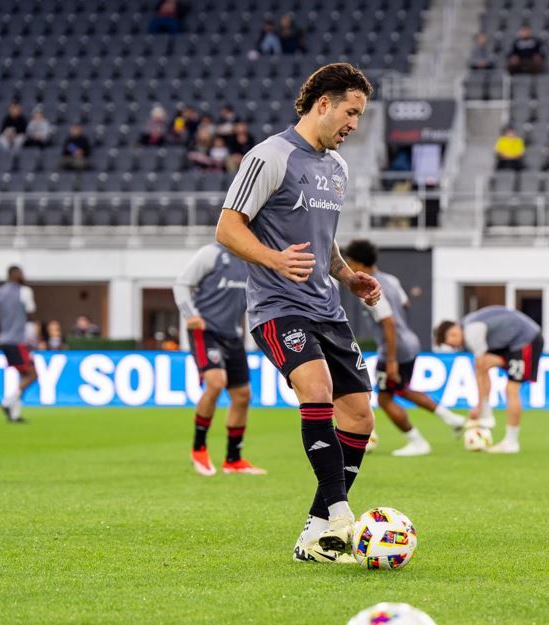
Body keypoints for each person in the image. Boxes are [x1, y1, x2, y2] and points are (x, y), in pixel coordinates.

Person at [214, 63, 379, 564]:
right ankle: (341, 514)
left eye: (360, 116)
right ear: (323, 104)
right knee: (317, 389)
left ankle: (315, 533)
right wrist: (273, 259)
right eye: (351, 112)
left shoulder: (338, 169)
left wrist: (348, 276)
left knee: (360, 418)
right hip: (276, 306)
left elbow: (322, 245)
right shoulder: (270, 156)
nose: (354, 124)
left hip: (326, 307)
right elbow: (227, 228)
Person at [343, 239, 466, 457]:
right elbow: (405, 304)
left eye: (350, 262)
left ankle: (417, 442)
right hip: (410, 342)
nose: (349, 266)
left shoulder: (368, 288)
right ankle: (451, 418)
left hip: (395, 348)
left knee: (385, 398)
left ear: (360, 264)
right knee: (402, 389)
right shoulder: (390, 280)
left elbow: (388, 322)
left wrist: (391, 360)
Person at [174, 243, 265, 476]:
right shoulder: (211, 254)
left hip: (232, 334)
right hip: (205, 331)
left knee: (243, 396)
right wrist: (190, 314)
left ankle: (233, 460)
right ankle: (199, 449)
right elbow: (182, 284)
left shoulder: (253, 258)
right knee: (215, 382)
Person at [433, 306, 544, 454]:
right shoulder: (467, 326)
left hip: (525, 339)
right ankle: (486, 414)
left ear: (453, 333)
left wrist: (479, 407)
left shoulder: (472, 332)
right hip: (510, 342)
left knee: (511, 390)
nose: (453, 347)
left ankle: (511, 442)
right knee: (484, 366)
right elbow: (482, 371)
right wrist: (480, 406)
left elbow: (480, 368)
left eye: (450, 343)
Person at [0, 266, 38, 423]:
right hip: (18, 341)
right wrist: (34, 337)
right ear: (17, 274)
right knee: (33, 374)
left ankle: (14, 414)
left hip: (4, 340)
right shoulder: (24, 291)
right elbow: (31, 314)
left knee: (23, 375)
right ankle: (7, 402)